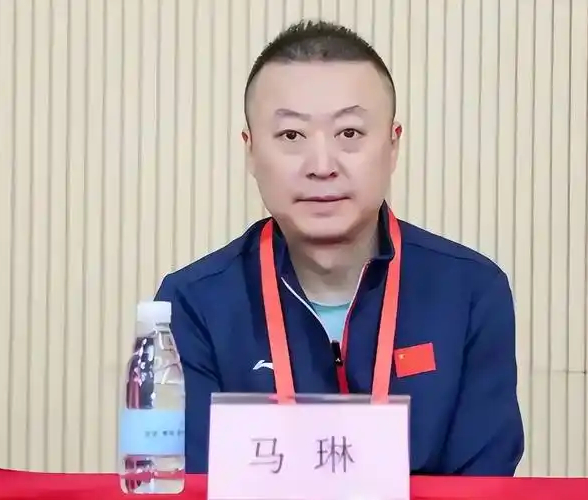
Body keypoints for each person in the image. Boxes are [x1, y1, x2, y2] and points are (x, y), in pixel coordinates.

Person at [155, 20, 524, 476]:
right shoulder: (192, 303)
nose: (322, 165)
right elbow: (194, 484)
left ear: (392, 145)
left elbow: (482, 482)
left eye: (349, 133)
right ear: (250, 151)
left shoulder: (470, 293)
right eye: (291, 136)